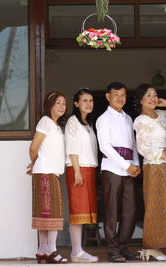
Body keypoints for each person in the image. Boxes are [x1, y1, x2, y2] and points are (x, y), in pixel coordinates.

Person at [133, 84, 166, 261]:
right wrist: (164, 154)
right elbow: (142, 147)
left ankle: (158, 247)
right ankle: (151, 247)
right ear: (141, 100)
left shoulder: (162, 115)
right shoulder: (140, 120)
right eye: (148, 95)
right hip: (154, 165)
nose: (152, 98)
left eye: (154, 95)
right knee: (154, 206)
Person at [96, 82, 141, 263]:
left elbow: (134, 145)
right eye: (116, 95)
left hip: (130, 169)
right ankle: (113, 250)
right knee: (112, 211)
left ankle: (124, 247)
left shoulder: (129, 118)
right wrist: (125, 165)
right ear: (108, 97)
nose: (120, 98)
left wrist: (136, 165)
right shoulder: (103, 119)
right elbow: (105, 147)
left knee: (130, 211)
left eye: (123, 95)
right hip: (112, 169)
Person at [27, 91, 69, 264]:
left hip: (49, 172)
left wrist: (36, 164)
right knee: (52, 211)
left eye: (64, 103)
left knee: (45, 212)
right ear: (50, 105)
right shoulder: (45, 122)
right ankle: (51, 250)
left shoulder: (57, 126)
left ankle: (42, 249)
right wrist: (35, 162)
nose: (62, 106)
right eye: (58, 103)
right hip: (46, 172)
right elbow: (33, 147)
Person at [65, 88, 99, 263]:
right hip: (78, 169)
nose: (88, 104)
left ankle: (79, 250)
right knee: (77, 210)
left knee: (84, 211)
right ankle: (76, 251)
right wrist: (77, 171)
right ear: (76, 104)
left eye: (91, 100)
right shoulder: (73, 121)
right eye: (84, 101)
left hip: (89, 169)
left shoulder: (88, 124)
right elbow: (72, 148)